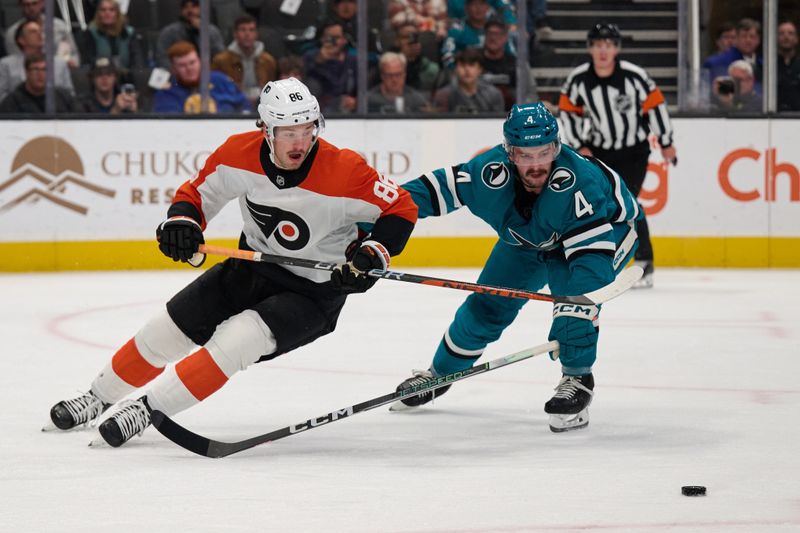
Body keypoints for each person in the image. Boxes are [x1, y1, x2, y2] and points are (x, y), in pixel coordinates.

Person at [46, 77, 418, 448]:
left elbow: (401, 206)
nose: (300, 143)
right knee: (167, 329)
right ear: (266, 130)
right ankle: (97, 397)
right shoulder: (237, 154)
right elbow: (195, 195)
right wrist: (183, 223)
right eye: (288, 132)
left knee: (238, 339)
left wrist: (374, 251)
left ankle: (147, 410)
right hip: (250, 269)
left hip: (313, 292)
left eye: (307, 130)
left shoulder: (346, 170)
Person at [390, 102, 641, 433]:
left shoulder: (580, 182)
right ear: (509, 152)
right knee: (484, 308)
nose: (536, 164)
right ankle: (439, 376)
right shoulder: (488, 172)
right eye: (525, 154)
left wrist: (578, 305)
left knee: (573, 304)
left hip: (605, 233)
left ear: (557, 147)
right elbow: (432, 191)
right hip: (529, 241)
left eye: (544, 152)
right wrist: (381, 214)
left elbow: (590, 260)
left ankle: (578, 380)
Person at [559, 22, 676, 289]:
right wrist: (579, 145)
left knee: (629, 203)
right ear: (590, 48)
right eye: (598, 45)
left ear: (617, 49)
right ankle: (598, 259)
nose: (603, 51)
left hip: (634, 151)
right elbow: (568, 111)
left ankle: (644, 261)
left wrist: (667, 141)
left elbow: (655, 107)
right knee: (597, 205)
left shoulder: (634, 76)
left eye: (609, 45)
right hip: (599, 150)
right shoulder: (579, 79)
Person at [153, 41, 248, 114]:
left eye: (192, 62)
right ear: (173, 69)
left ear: (200, 61)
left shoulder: (221, 81)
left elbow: (245, 108)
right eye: (182, 65)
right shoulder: (167, 94)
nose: (189, 68)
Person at [0, 20, 73, 103]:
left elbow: (70, 94)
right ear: (21, 40)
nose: (40, 35)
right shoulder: (6, 64)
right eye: (33, 32)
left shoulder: (60, 63)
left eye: (41, 31)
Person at [211, 14, 278, 106]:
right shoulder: (221, 61)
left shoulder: (268, 61)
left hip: (263, 105)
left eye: (251, 30)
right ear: (235, 34)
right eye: (243, 30)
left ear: (256, 34)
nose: (247, 34)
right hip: (233, 106)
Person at [75, 0, 145, 74]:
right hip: (100, 76)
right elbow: (89, 61)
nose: (107, 13)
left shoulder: (129, 33)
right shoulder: (90, 33)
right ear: (98, 13)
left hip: (127, 76)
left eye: (111, 10)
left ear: (117, 13)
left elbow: (137, 60)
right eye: (103, 10)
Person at [303, 21, 357, 114]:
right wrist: (320, 61)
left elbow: (360, 89)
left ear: (344, 40)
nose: (333, 42)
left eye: (336, 38)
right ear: (321, 39)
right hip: (316, 112)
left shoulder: (353, 61)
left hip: (347, 114)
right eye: (328, 38)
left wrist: (356, 101)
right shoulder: (310, 58)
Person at [4, 0, 80, 66]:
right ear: (21, 6)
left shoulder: (60, 27)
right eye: (26, 5)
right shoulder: (12, 33)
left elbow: (73, 54)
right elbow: (15, 63)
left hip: (60, 71)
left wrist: (72, 62)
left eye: (34, 3)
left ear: (42, 3)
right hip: (27, 74)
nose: (31, 8)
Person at [0, 53, 81, 113]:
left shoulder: (64, 97)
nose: (40, 74)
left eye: (44, 69)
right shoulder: (12, 101)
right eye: (35, 69)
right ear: (26, 72)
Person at [702, 18, 762, 97]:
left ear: (758, 40)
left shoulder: (764, 64)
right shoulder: (716, 63)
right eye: (744, 36)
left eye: (752, 36)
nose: (748, 40)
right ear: (736, 39)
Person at [155, 0, 225, 68]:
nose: (190, 10)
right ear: (181, 11)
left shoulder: (212, 31)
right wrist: (176, 73)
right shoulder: (169, 32)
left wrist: (203, 32)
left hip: (210, 73)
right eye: (186, 7)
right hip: (179, 75)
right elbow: (162, 58)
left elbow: (220, 55)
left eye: (194, 6)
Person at [433, 48, 504, 113]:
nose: (467, 70)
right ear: (455, 70)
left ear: (480, 69)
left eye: (471, 65)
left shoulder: (494, 95)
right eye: (462, 65)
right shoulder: (443, 95)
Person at [777, 20, 800, 112]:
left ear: (797, 39)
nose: (786, 37)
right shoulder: (767, 66)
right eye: (781, 33)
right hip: (774, 118)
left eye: (790, 33)